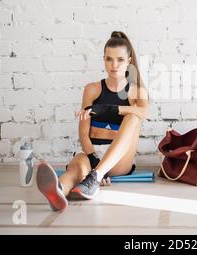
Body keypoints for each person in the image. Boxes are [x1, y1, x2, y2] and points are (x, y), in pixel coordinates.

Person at [36, 31, 149, 211]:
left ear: (129, 61)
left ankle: (94, 177)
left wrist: (107, 109)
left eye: (120, 59)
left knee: (133, 116)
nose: (114, 65)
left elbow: (143, 112)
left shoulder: (136, 91)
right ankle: (58, 191)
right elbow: (83, 133)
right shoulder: (92, 89)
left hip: (119, 159)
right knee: (77, 168)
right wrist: (93, 160)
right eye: (109, 59)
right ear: (103, 59)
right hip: (92, 153)